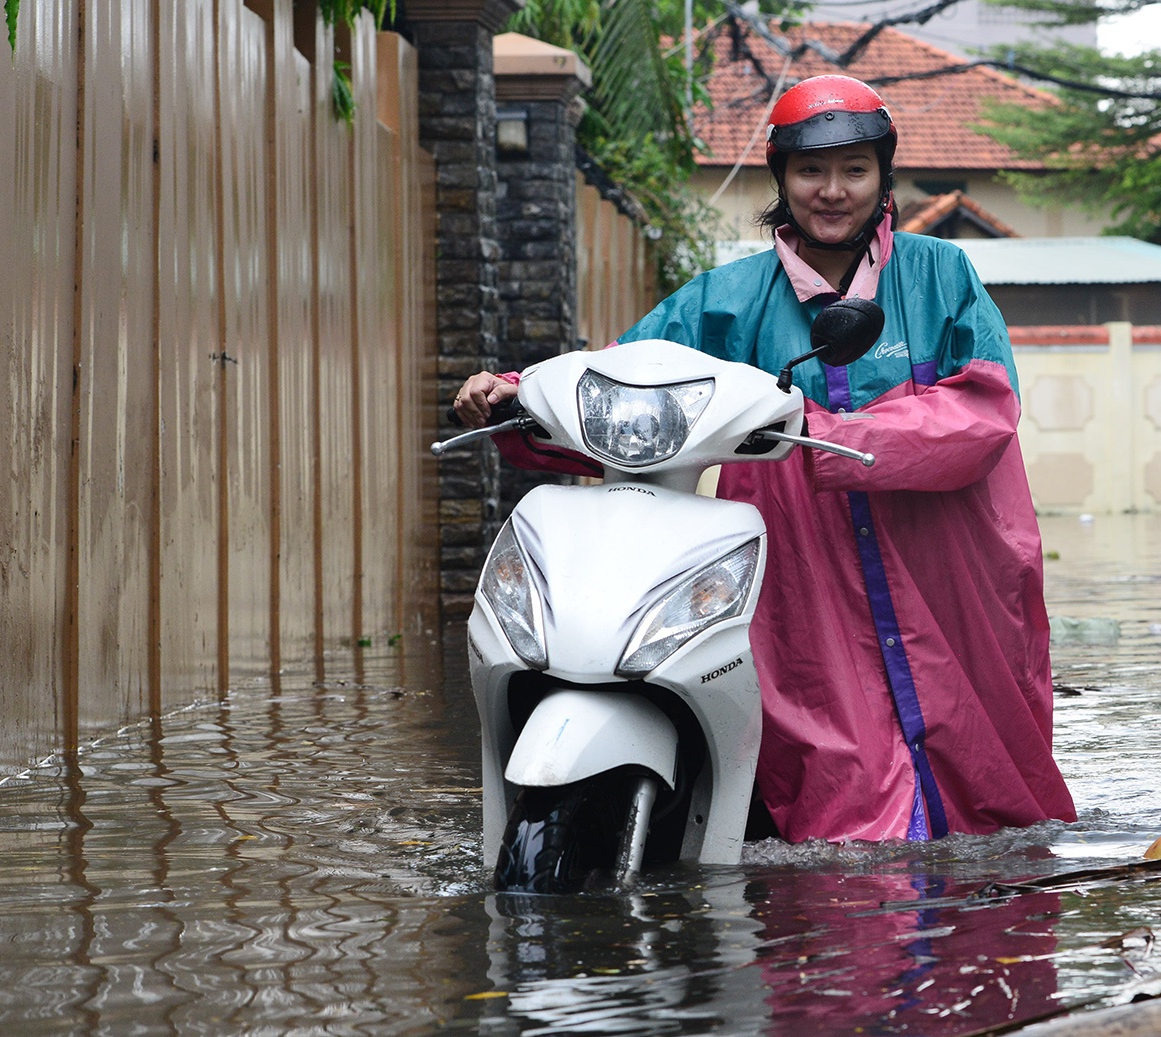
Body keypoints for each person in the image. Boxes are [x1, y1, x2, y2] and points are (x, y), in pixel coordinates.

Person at [454, 75, 1075, 844]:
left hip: (947, 571)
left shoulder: (942, 275)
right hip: (805, 580)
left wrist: (830, 431)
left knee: (989, 799)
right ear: (781, 178)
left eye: (855, 169)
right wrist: (517, 393)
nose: (833, 191)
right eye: (812, 170)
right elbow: (621, 378)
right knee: (827, 794)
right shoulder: (726, 300)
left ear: (883, 175)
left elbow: (984, 413)